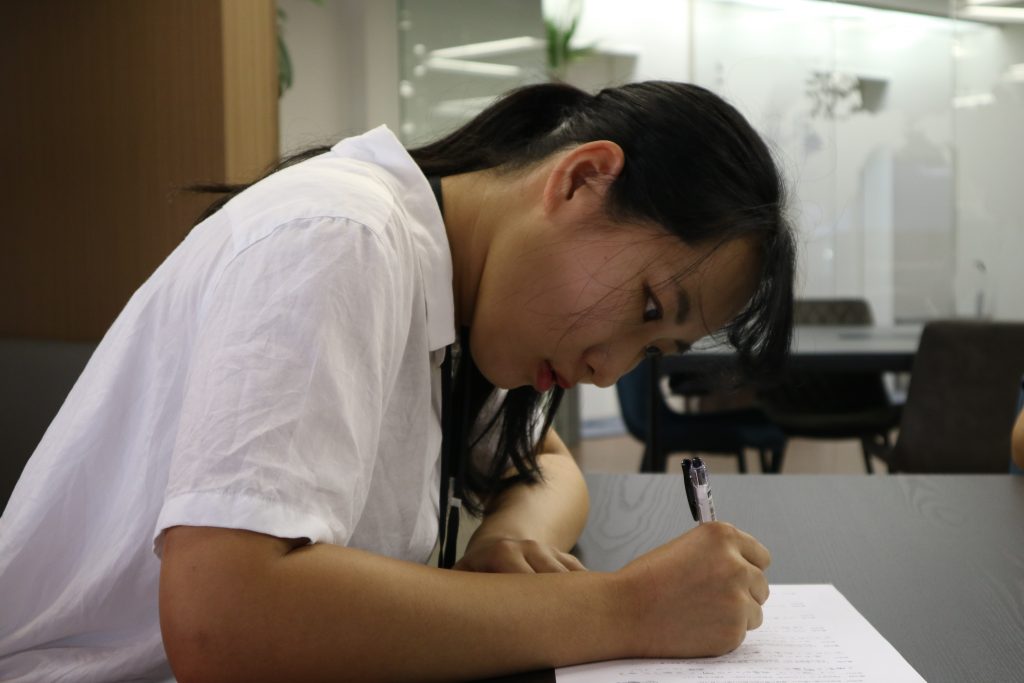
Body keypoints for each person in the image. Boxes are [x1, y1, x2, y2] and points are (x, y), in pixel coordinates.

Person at [0, 81, 795, 682]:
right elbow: (220, 620)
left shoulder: (458, 300)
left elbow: (546, 463)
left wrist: (509, 538)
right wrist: (625, 608)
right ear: (582, 178)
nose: (607, 369)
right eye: (647, 305)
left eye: (654, 350)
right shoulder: (341, 236)